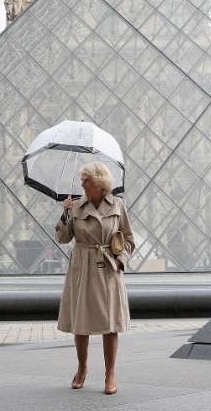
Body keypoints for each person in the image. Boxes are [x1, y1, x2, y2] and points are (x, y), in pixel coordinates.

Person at [55, 161, 134, 396]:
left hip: (108, 268)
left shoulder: (118, 205)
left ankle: (110, 373)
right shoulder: (76, 206)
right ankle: (82, 368)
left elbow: (129, 239)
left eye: (86, 180)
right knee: (82, 322)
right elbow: (62, 238)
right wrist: (65, 213)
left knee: (110, 325)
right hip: (83, 268)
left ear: (99, 183)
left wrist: (121, 260)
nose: (82, 184)